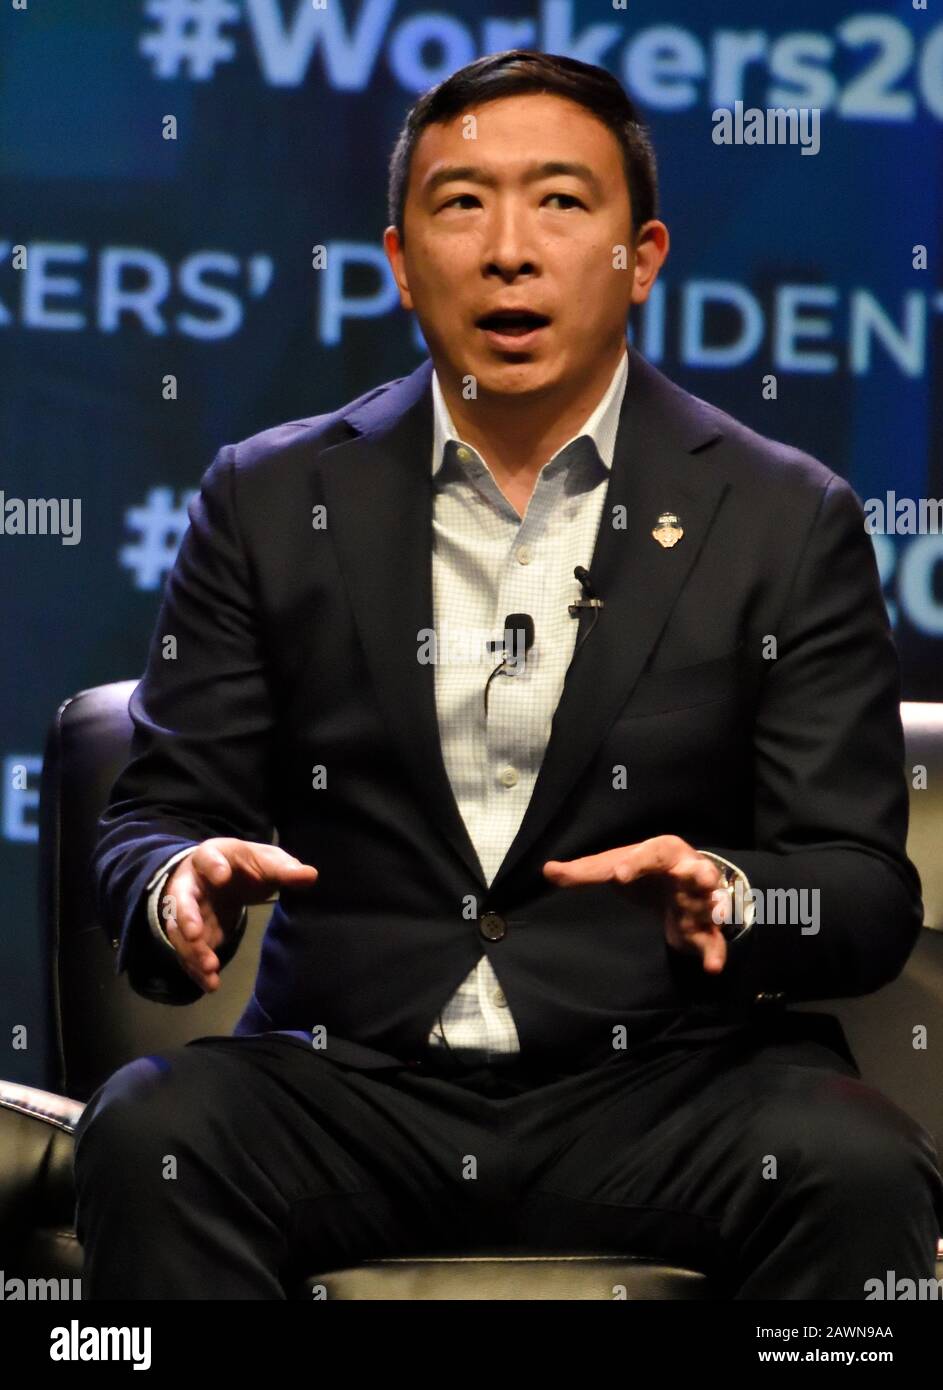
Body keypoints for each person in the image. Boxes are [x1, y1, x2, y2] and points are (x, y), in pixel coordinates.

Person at [73, 49, 943, 1300]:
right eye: (462, 203)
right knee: (154, 1134)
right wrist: (175, 883)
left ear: (640, 256)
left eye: (559, 201)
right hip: (349, 1080)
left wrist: (740, 897)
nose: (508, 249)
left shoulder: (782, 517)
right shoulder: (269, 500)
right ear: (398, 259)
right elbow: (152, 819)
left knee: (856, 1164)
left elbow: (863, 894)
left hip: (673, 1086)